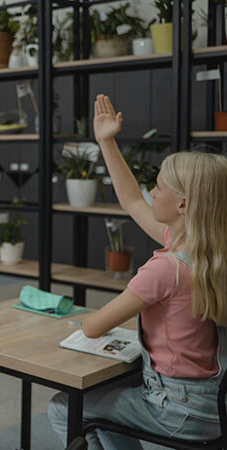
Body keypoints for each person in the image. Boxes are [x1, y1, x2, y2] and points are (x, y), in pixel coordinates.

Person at [47, 94, 227, 449]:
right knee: (102, 406)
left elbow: (92, 326)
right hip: (211, 407)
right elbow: (131, 200)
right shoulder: (209, 250)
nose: (151, 192)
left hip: (174, 410)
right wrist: (106, 142)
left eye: (158, 186)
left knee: (64, 407)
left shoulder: (165, 269)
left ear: (182, 204)